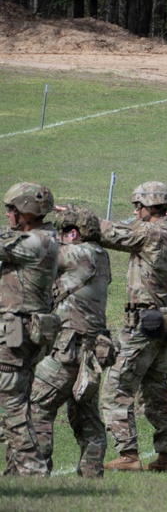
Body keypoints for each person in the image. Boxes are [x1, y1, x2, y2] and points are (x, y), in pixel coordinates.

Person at [99, 181, 167, 472]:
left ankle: (128, 454)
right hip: (158, 321)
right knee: (156, 391)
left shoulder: (154, 232)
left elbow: (112, 235)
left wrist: (77, 218)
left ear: (151, 207)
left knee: (115, 388)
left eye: (138, 207)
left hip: (142, 325)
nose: (135, 212)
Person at [29, 206, 111, 477]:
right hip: (89, 351)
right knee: (86, 416)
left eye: (62, 232)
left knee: (37, 406)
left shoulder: (80, 254)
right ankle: (91, 473)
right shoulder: (101, 255)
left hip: (69, 349)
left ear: (73, 233)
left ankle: (35, 471)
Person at [0, 182, 59, 476]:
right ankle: (16, 472)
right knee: (16, 400)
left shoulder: (35, 243)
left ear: (27, 212)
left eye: (12, 209)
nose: (8, 215)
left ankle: (33, 469)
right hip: (25, 330)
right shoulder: (44, 237)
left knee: (10, 402)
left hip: (15, 332)